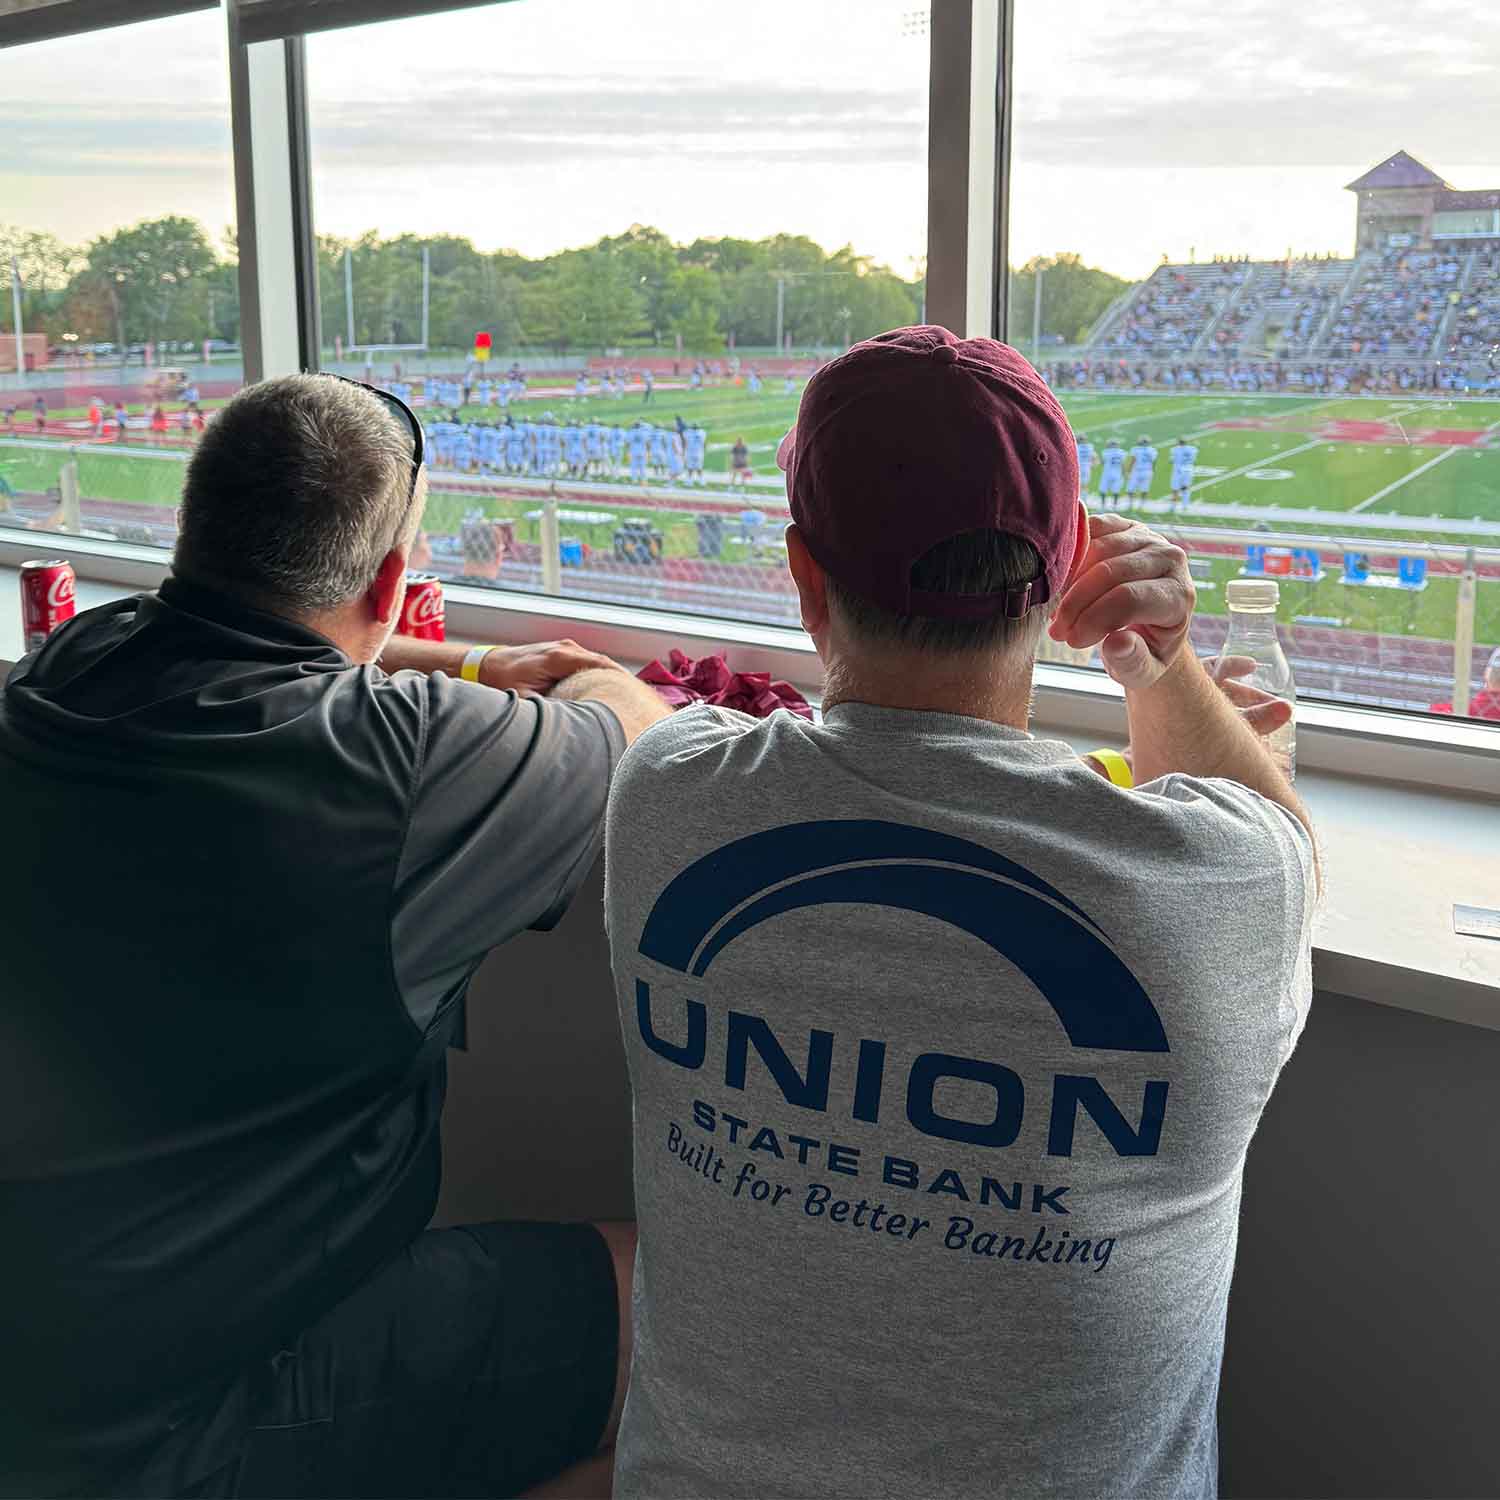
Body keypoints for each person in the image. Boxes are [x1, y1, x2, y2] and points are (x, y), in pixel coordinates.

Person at [602, 326, 1317, 1500]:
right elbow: (1273, 825)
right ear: (1071, 556)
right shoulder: (1214, 881)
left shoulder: (670, 796)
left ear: (803, 574)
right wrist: (1158, 666)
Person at [0, 374, 670, 1499]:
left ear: (192, 536)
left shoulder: (64, 671)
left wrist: (460, 665)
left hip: (44, 1357)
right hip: (184, 1423)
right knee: (696, 1311)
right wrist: (580, 675)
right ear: (396, 582)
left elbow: (268, 652)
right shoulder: (400, 766)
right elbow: (631, 733)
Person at [1126, 434, 1157, 510]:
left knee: (1130, 489)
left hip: (1137, 471)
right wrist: (1152, 471)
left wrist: (1128, 471)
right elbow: (1153, 462)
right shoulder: (1152, 450)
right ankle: (1142, 504)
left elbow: (1133, 461)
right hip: (1147, 471)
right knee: (1144, 489)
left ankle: (1131, 504)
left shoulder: (1136, 449)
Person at [1170, 434, 1199, 511]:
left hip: (1178, 470)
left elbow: (1172, 460)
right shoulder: (1193, 449)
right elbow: (1194, 459)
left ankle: (1173, 507)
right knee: (1186, 489)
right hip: (1189, 470)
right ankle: (1185, 506)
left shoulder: (1175, 449)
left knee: (1175, 489)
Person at [1097, 436, 1126, 500]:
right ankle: (1114, 506)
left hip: (1107, 473)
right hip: (1117, 473)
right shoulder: (1121, 452)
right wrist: (1124, 473)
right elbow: (1122, 464)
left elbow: (1102, 462)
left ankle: (1103, 506)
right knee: (1116, 491)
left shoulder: (1106, 452)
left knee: (1103, 490)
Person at [1075, 432, 1096, 498]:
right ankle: (1085, 497)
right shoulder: (1089, 447)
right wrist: (1092, 464)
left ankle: (1080, 497)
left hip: (1079, 467)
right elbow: (1095, 458)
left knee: (1078, 484)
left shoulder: (1076, 447)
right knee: (1085, 483)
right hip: (1087, 467)